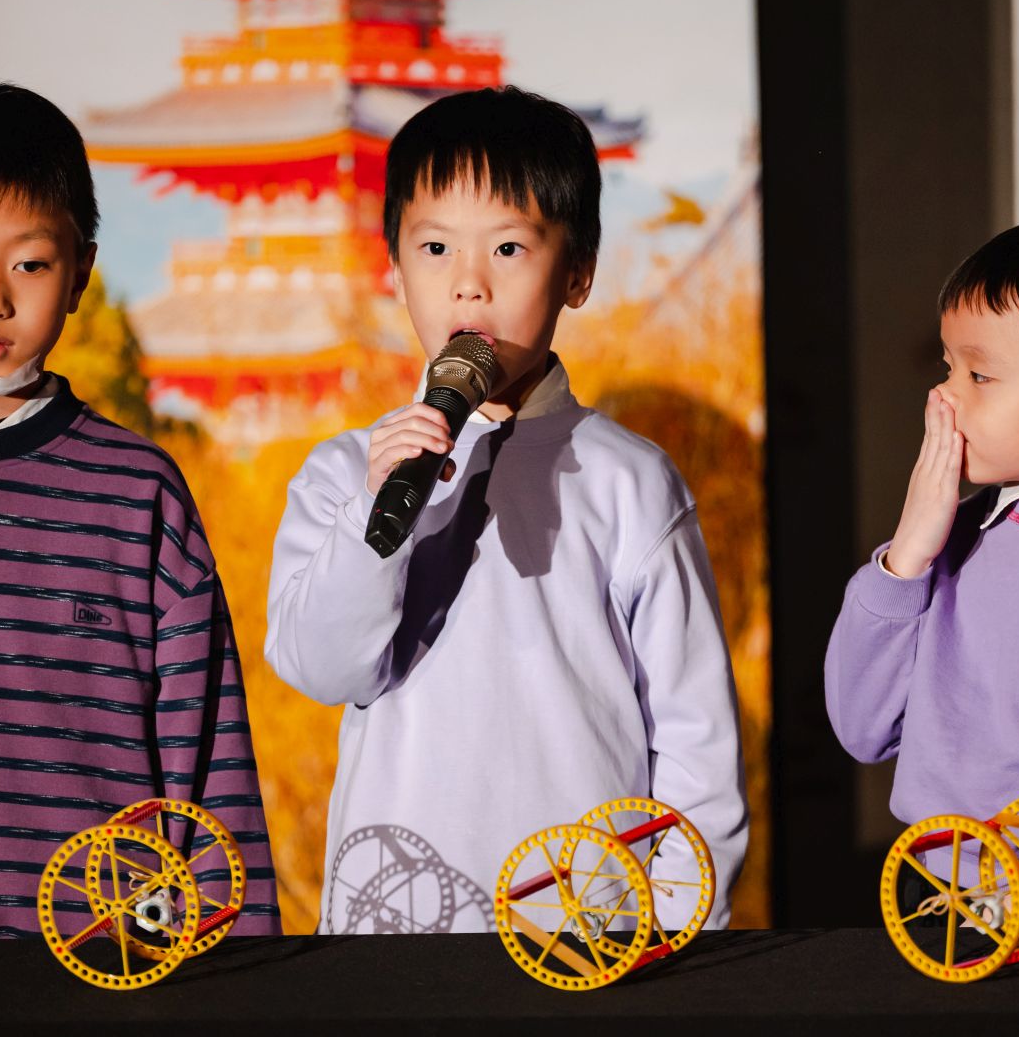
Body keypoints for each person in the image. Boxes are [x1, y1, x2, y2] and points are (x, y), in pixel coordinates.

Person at [266, 85, 747, 933]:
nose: (468, 286)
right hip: (396, 919)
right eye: (435, 248)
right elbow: (323, 668)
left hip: (586, 926)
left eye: (509, 248)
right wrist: (376, 511)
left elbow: (693, 732)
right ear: (393, 270)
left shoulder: (630, 481)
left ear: (577, 273)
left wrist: (675, 930)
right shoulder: (345, 472)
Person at [0, 83, 280, 939]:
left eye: (31, 264)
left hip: (99, 961)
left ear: (81, 270)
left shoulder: (137, 491)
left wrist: (237, 981)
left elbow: (206, 752)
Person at [825, 202, 1019, 909]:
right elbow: (862, 730)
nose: (942, 394)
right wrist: (906, 556)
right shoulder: (948, 540)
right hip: (937, 900)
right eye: (947, 366)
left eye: (979, 376)